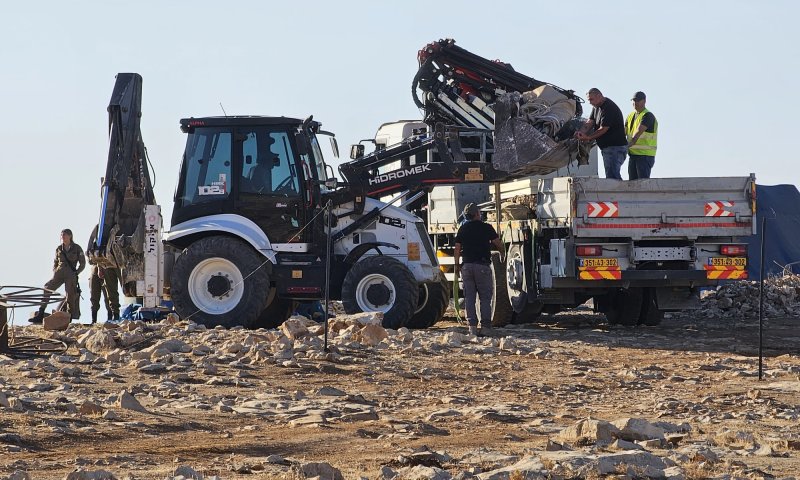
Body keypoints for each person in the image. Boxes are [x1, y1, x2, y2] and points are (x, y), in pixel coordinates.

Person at [453, 203, 505, 336]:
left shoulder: (462, 229)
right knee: (485, 298)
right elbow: (498, 243)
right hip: (482, 266)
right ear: (477, 214)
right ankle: (486, 327)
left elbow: (457, 249)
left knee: (469, 297)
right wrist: (502, 253)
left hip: (467, 267)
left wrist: (457, 266)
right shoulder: (486, 228)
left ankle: (472, 328)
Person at [31, 229, 86, 323]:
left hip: (70, 274)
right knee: (47, 288)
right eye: (61, 235)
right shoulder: (59, 248)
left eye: (64, 235)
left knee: (70, 295)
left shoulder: (77, 248)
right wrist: (55, 270)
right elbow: (56, 261)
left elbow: (83, 263)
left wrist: (76, 273)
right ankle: (40, 313)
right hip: (59, 274)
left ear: (70, 236)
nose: (62, 237)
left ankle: (69, 317)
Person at [576, 88, 628, 180]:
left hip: (615, 148)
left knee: (612, 177)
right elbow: (590, 122)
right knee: (611, 176)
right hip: (608, 148)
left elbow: (604, 128)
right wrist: (581, 132)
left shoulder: (609, 107)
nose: (590, 102)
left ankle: (618, 190)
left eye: (591, 99)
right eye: (589, 100)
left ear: (599, 96)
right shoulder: (596, 107)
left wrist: (588, 137)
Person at [625, 91, 658, 180]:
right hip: (633, 155)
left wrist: (624, 147)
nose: (635, 103)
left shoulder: (648, 116)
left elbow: (637, 134)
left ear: (644, 101)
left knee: (643, 183)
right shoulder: (630, 116)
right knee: (632, 184)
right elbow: (623, 132)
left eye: (638, 100)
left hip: (645, 156)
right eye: (634, 100)